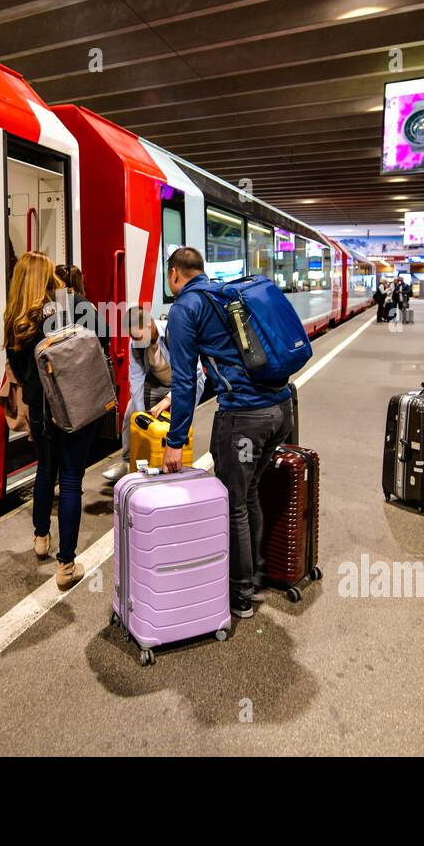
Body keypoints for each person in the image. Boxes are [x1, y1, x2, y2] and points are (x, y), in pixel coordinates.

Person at [160, 247, 294, 619]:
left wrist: (175, 441)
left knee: (234, 502)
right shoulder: (223, 294)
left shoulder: (185, 308)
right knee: (249, 495)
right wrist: (174, 402)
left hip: (245, 420)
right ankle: (252, 576)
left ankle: (239, 596)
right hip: (280, 409)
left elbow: (186, 379)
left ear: (175, 275)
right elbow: (222, 362)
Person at [4, 251, 102, 590]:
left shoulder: (16, 316)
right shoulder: (73, 304)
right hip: (74, 406)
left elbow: (17, 370)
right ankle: (66, 565)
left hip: (41, 413)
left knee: (45, 471)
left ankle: (41, 538)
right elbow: (97, 347)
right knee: (72, 479)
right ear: (49, 276)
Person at [102, 307, 205, 482]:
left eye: (139, 337)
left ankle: (175, 462)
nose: (136, 341)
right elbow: (136, 377)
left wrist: (169, 399)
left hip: (186, 383)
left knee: (177, 420)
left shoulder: (175, 333)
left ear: (150, 325)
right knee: (131, 413)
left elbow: (192, 374)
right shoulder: (136, 342)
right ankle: (129, 462)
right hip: (157, 382)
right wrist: (141, 415)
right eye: (133, 338)